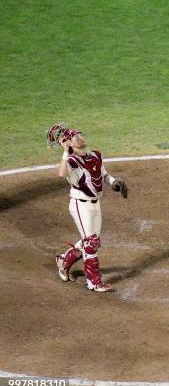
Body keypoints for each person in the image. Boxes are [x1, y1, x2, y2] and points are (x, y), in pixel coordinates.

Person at [49, 123, 128, 292]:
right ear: (69, 142)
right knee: (91, 242)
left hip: (95, 204)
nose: (80, 136)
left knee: (91, 241)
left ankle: (64, 260)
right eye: (75, 136)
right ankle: (93, 282)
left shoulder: (96, 155)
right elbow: (61, 174)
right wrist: (65, 151)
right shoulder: (71, 161)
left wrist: (114, 182)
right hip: (80, 205)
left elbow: (104, 175)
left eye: (80, 134)